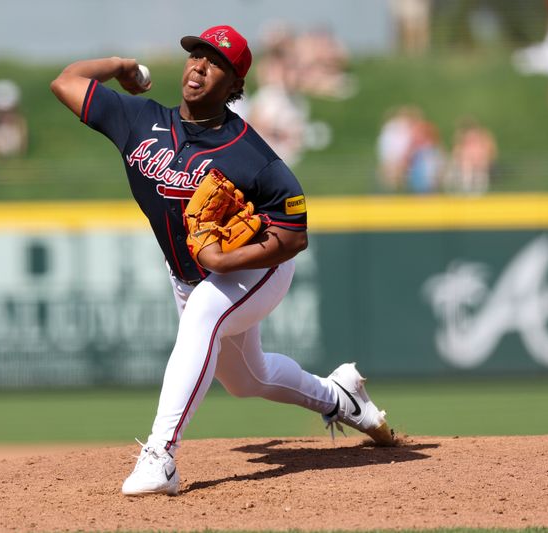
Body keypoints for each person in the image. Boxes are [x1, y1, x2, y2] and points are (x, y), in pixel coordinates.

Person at [50, 24, 395, 497]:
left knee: (201, 317)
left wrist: (230, 261)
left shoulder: (252, 154)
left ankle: (160, 456)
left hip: (258, 269)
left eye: (216, 63)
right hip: (191, 274)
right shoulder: (139, 120)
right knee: (247, 378)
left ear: (236, 86)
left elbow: (294, 236)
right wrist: (121, 66)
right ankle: (341, 397)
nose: (199, 67)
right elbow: (65, 82)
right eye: (196, 55)